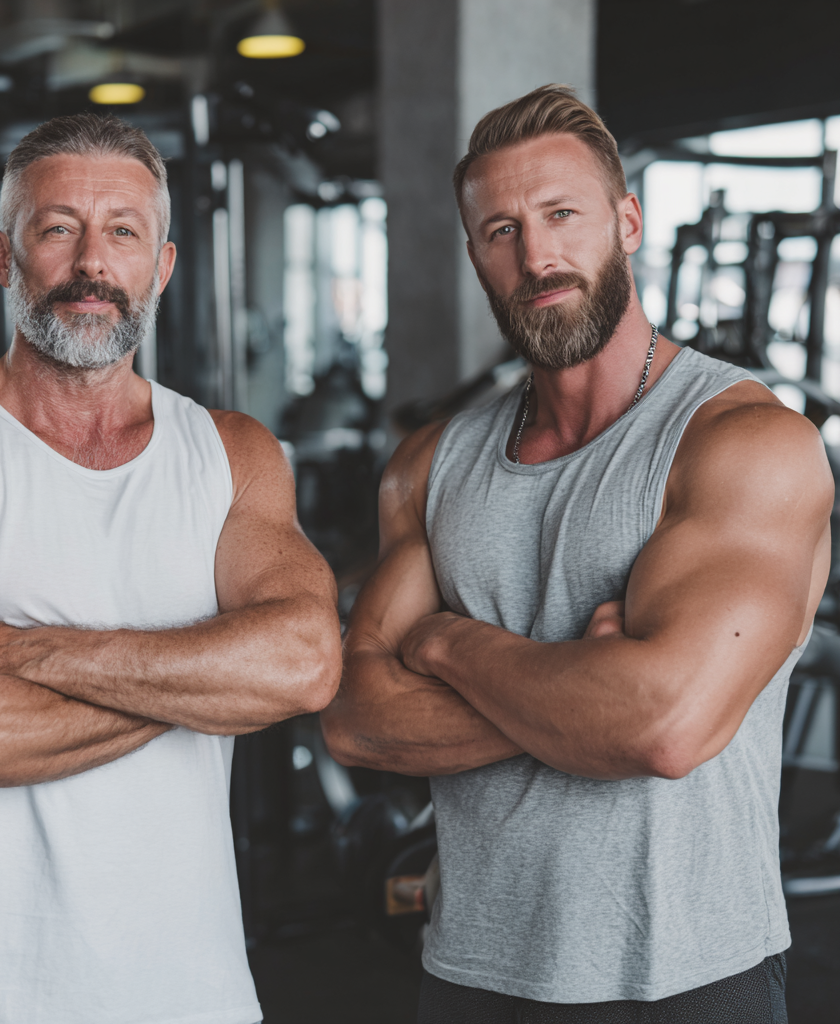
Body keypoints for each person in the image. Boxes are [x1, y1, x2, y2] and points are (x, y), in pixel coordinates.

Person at [321, 85, 832, 1023]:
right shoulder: (427, 467)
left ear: (627, 220)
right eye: (501, 230)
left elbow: (661, 729)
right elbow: (355, 720)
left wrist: (443, 647)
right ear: (474, 252)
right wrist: (590, 691)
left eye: (563, 215)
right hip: (473, 971)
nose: (537, 255)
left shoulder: (744, 444)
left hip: (687, 976)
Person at [0, 114, 342, 1024]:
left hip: (196, 997)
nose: (90, 263)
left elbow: (304, 663)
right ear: (2, 257)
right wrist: (209, 682)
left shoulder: (235, 454)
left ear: (163, 265)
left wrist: (18, 653)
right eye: (57, 227)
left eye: (122, 232)